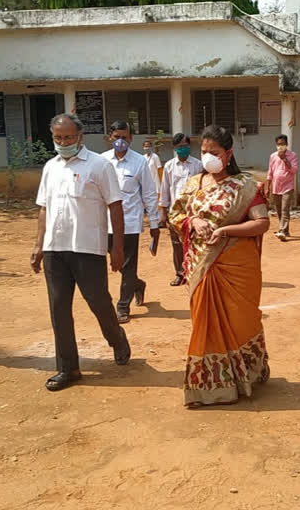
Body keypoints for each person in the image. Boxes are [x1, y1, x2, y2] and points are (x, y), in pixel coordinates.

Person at [168, 124, 270, 407]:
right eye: (204, 151)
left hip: (236, 267)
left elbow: (262, 222)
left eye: (214, 152)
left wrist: (226, 231)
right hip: (201, 267)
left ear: (228, 154)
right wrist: (193, 221)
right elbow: (175, 217)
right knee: (204, 324)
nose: (208, 157)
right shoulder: (193, 184)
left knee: (239, 322)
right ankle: (209, 386)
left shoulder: (246, 185)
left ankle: (244, 377)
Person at [30, 114, 132, 391]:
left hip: (88, 248)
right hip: (55, 248)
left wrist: (118, 248)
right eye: (58, 138)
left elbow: (115, 206)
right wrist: (39, 244)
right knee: (59, 307)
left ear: (80, 137)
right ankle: (69, 368)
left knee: (98, 301)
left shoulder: (99, 165)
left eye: (68, 137)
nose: (63, 143)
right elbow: (44, 208)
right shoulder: (50, 167)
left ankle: (117, 339)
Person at [102, 121, 160, 324]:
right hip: (105, 224)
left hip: (130, 223)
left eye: (124, 137)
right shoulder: (101, 161)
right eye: (116, 136)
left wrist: (154, 223)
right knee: (115, 264)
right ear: (110, 137)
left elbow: (150, 194)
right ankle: (137, 285)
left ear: (131, 139)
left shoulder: (139, 163)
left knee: (127, 265)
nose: (120, 141)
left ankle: (122, 307)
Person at [159, 133, 203, 286]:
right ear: (175, 148)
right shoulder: (169, 166)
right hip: (176, 213)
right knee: (177, 245)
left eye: (185, 146)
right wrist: (163, 213)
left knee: (194, 242)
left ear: (189, 146)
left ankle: (194, 272)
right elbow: (165, 189)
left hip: (194, 212)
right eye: (179, 147)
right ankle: (180, 273)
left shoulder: (198, 165)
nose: (183, 149)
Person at [265, 134, 298, 241]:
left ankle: (282, 230)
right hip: (276, 186)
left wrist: (284, 159)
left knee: (285, 209)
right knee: (278, 209)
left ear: (287, 144)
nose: (281, 146)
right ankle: (285, 229)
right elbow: (270, 172)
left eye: (283, 144)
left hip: (288, 186)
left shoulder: (292, 155)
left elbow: (294, 170)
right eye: (279, 144)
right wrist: (267, 186)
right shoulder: (272, 156)